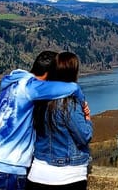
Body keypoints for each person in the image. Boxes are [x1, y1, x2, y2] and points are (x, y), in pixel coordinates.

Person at [0, 51, 86, 190]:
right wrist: (83, 104)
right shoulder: (30, 87)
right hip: (9, 169)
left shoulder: (12, 85)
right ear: (49, 73)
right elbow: (72, 87)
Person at [27, 52, 94, 190]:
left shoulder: (40, 101)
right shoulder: (69, 103)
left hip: (37, 173)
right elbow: (84, 136)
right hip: (68, 176)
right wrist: (87, 119)